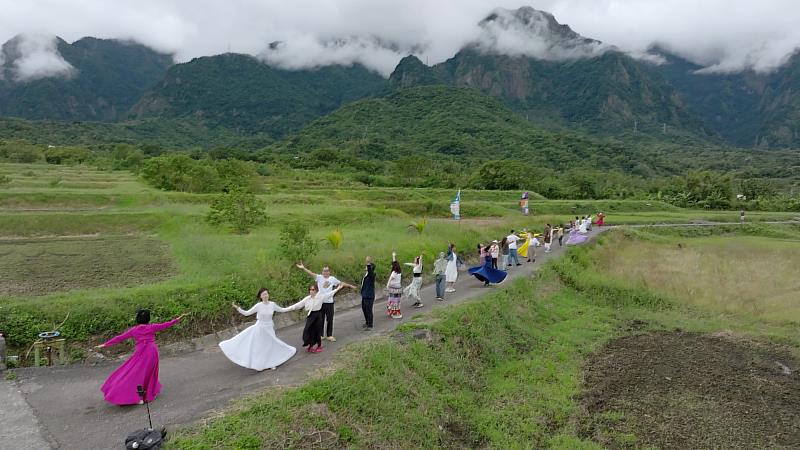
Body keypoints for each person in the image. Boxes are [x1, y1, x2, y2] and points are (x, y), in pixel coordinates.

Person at [96, 310, 187, 406]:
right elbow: (166, 325)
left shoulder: (134, 330)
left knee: (135, 373)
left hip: (140, 353)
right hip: (151, 352)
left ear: (137, 319)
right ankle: (142, 395)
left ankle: (137, 397)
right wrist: (177, 319)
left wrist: (105, 344)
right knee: (147, 373)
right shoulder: (152, 327)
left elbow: (120, 337)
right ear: (148, 319)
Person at [219, 288, 296, 371]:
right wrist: (237, 308)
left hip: (269, 327)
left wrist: (292, 307)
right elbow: (247, 313)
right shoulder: (258, 306)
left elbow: (282, 309)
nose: (266, 295)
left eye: (266, 294)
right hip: (260, 328)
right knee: (261, 347)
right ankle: (261, 363)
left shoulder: (272, 304)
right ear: (260, 296)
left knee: (271, 345)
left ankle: (272, 363)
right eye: (263, 294)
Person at [285, 283, 352, 353]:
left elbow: (330, 294)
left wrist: (338, 288)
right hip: (310, 315)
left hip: (318, 315)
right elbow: (297, 305)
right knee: (307, 330)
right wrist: (284, 309)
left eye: (313, 290)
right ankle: (310, 344)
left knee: (317, 332)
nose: (311, 291)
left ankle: (318, 346)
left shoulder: (321, 297)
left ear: (316, 290)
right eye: (310, 290)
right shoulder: (307, 298)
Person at [295, 262, 341, 342]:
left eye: (327, 271)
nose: (325, 272)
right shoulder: (319, 277)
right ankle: (320, 335)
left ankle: (329, 335)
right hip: (320, 302)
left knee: (330, 319)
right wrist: (303, 268)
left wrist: (350, 286)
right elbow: (311, 273)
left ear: (329, 272)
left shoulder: (332, 279)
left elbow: (341, 283)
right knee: (320, 319)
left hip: (329, 302)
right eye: (324, 271)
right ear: (322, 272)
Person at [360, 256, 376, 331]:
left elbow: (370, 272)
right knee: (364, 309)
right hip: (364, 295)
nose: (365, 266)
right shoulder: (366, 275)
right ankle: (367, 322)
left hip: (369, 296)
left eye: (367, 266)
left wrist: (368, 263)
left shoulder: (372, 275)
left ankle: (370, 325)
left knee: (369, 310)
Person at [387, 252, 403, 319]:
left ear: (393, 267)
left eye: (391, 265)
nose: (391, 266)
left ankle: (394, 313)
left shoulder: (393, 272)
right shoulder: (399, 272)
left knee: (392, 301)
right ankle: (397, 313)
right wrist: (393, 256)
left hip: (393, 289)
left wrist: (387, 286)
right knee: (397, 301)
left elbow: (389, 280)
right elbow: (395, 263)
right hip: (398, 289)